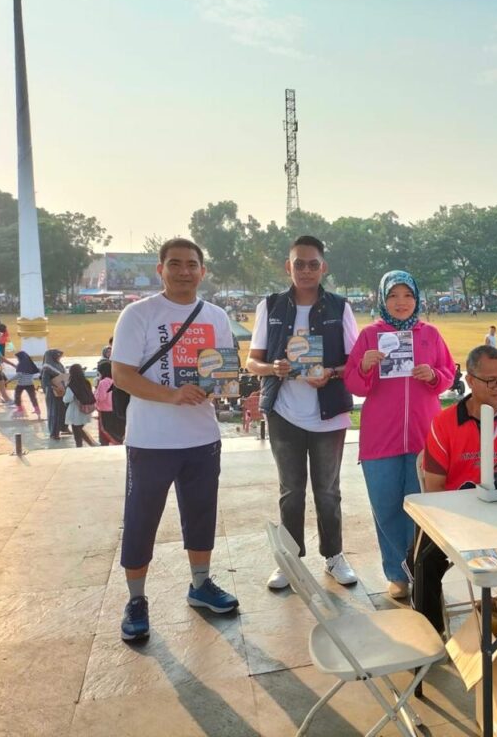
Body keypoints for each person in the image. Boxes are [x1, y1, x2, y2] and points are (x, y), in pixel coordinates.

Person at [111, 237, 239, 642]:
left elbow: (223, 372)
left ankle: (200, 584)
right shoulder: (139, 314)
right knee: (141, 518)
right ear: (160, 269)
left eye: (192, 264)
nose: (185, 271)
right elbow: (122, 375)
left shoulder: (216, 316)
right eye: (175, 264)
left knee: (201, 514)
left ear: (203, 270)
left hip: (202, 436)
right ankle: (136, 599)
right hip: (151, 439)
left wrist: (224, 388)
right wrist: (172, 395)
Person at [247, 235, 359, 590]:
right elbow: (252, 361)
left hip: (328, 414)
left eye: (313, 264)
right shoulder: (271, 306)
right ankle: (290, 560)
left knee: (327, 491)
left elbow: (355, 363)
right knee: (291, 491)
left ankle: (334, 556)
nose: (306, 271)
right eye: (299, 264)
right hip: (283, 412)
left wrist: (331, 373)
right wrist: (273, 368)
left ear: (323, 267)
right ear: (288, 267)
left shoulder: (340, 307)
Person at [413, 345, 497, 634]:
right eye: (491, 381)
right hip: (455, 516)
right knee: (423, 558)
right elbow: (434, 489)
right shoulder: (444, 423)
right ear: (470, 381)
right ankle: (430, 632)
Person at [344, 270, 454, 600]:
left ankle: (419, 571)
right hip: (380, 439)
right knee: (385, 507)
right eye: (393, 295)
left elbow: (448, 374)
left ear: (417, 299)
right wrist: (364, 366)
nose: (401, 302)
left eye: (407, 295)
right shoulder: (370, 335)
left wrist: (433, 375)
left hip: (423, 436)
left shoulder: (430, 334)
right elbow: (354, 384)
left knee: (419, 508)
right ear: (382, 299)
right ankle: (396, 573)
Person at [62, 363, 96, 447]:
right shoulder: (86, 382)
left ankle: (82, 446)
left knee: (77, 432)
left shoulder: (72, 384)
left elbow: (67, 399)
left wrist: (63, 395)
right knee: (80, 429)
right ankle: (91, 444)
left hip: (75, 411)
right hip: (86, 410)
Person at [94, 359, 124, 445]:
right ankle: (119, 442)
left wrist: (95, 393)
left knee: (107, 429)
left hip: (105, 409)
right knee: (117, 429)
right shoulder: (116, 379)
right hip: (116, 407)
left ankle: (118, 442)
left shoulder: (103, 382)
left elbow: (101, 397)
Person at [41, 349, 67, 439]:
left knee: (63, 410)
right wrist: (55, 387)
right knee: (54, 412)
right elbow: (45, 382)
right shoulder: (47, 367)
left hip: (61, 391)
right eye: (58, 356)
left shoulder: (59, 365)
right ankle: (54, 432)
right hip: (52, 393)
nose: (59, 357)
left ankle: (63, 428)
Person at [11, 351, 41, 419]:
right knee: (33, 397)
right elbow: (38, 370)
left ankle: (20, 410)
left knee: (17, 396)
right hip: (30, 384)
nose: (17, 359)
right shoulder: (30, 365)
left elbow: (18, 375)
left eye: (17, 358)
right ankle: (37, 410)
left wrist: (9, 380)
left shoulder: (20, 365)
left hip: (20, 385)